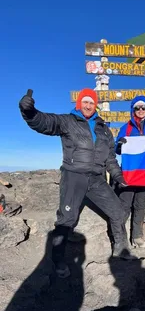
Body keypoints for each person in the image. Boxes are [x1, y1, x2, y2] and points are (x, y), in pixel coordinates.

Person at [19, 88, 135, 278]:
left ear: (95, 105)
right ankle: (57, 260)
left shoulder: (103, 129)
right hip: (74, 176)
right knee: (67, 219)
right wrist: (29, 112)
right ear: (79, 104)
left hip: (96, 178)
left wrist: (119, 177)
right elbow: (45, 123)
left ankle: (120, 249)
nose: (88, 105)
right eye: (85, 102)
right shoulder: (68, 121)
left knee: (118, 211)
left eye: (91, 102)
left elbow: (111, 160)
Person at [115, 95, 145, 248]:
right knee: (124, 204)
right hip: (128, 174)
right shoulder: (126, 128)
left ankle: (137, 236)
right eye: (137, 108)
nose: (140, 110)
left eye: (144, 107)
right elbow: (117, 150)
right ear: (133, 110)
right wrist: (120, 145)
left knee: (140, 205)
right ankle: (120, 238)